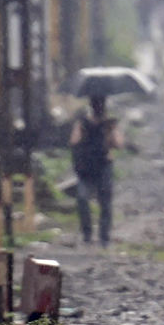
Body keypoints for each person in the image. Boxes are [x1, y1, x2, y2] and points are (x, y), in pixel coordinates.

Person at [69, 95, 124, 247]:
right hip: (86, 167)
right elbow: (74, 141)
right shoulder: (83, 122)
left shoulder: (110, 123)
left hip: (103, 165)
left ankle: (104, 237)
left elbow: (119, 144)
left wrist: (110, 130)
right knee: (82, 199)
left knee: (105, 203)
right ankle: (87, 234)